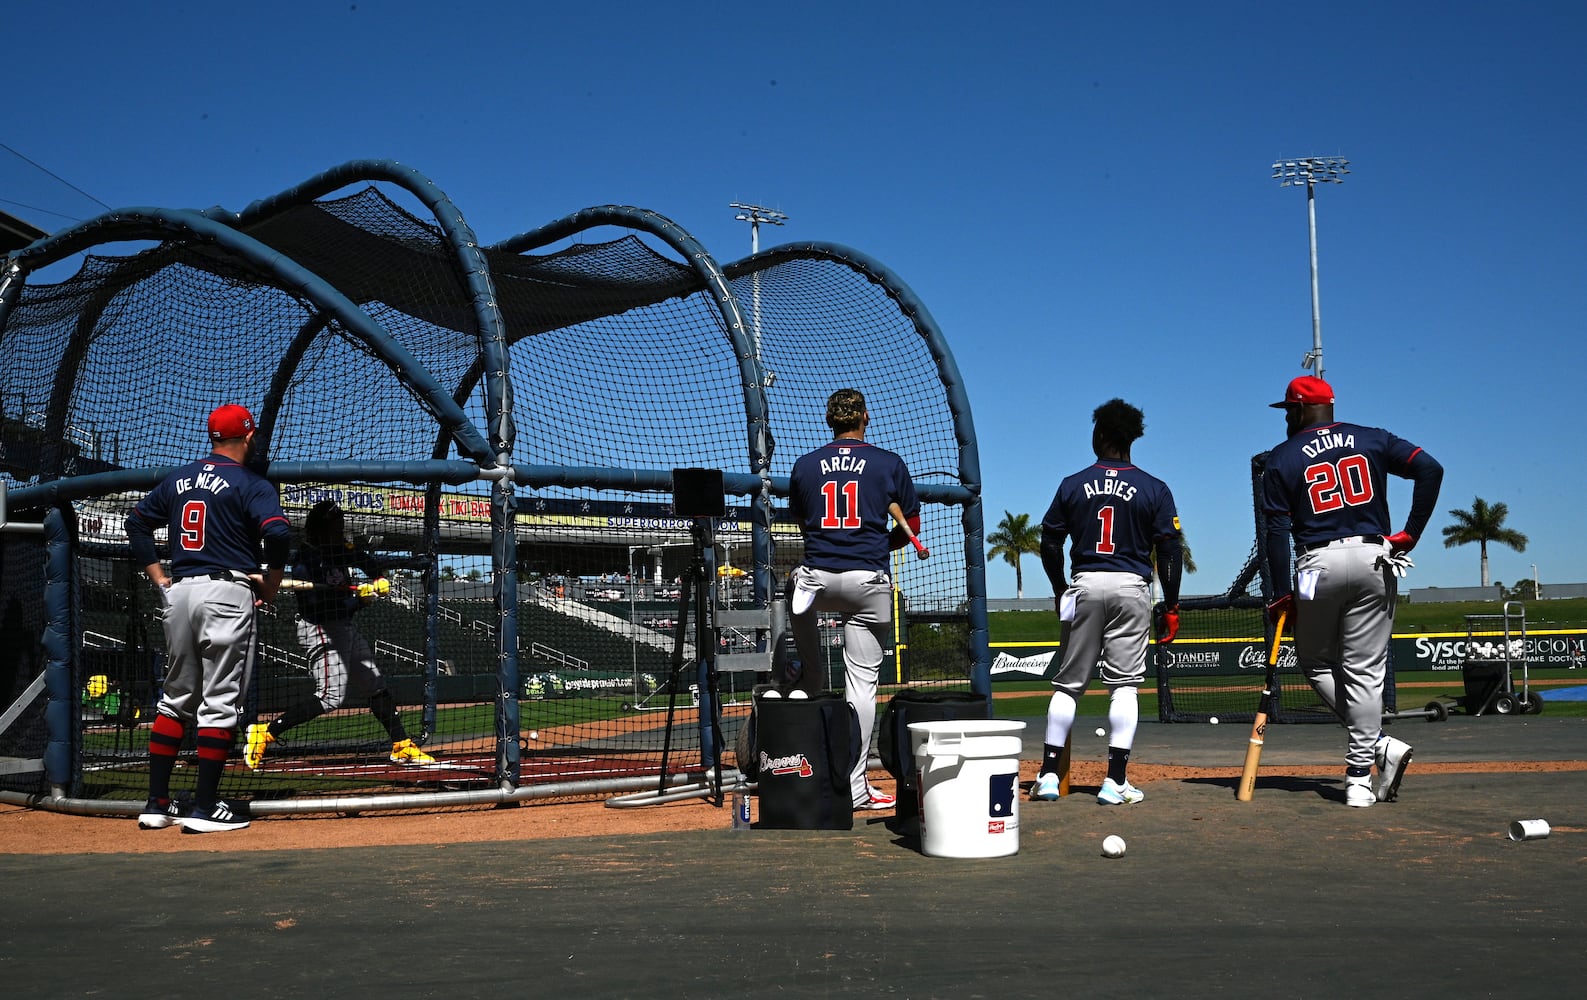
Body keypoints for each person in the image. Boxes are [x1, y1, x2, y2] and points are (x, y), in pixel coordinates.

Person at [1261, 375, 1442, 808]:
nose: (1286, 417)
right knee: (1363, 672)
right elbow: (1430, 468)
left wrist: (1281, 591)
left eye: (1288, 409)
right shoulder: (1372, 438)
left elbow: (1276, 530)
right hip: (1373, 557)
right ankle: (1365, 768)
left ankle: (1369, 757)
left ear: (1303, 409)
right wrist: (1410, 535)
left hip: (1315, 564)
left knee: (1316, 662)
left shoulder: (1281, 457)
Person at [126, 404, 292, 833]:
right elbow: (276, 533)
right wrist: (271, 584)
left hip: (179, 592)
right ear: (249, 436)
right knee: (220, 702)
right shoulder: (251, 482)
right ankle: (204, 808)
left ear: (212, 438)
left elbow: (137, 524)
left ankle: (156, 803)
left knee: (175, 698)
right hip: (225, 591)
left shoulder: (178, 478)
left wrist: (160, 578)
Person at [1031, 399, 1182, 805]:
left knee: (1068, 684)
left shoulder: (1072, 483)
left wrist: (1061, 586)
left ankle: (1047, 775)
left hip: (1084, 582)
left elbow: (1049, 541)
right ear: (1133, 438)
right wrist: (1171, 604)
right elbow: (1170, 550)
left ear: (1099, 435)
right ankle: (1114, 781)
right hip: (1131, 585)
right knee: (1125, 687)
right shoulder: (1155, 487)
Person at [786, 388, 921, 811]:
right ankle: (857, 785)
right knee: (861, 687)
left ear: (830, 420)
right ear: (864, 416)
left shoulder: (805, 465)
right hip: (868, 579)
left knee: (808, 663)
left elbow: (805, 522)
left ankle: (805, 688)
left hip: (817, 579)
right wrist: (879, 542)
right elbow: (910, 527)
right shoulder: (888, 462)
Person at [244, 500, 434, 770]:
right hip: (320, 629)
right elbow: (316, 608)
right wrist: (361, 601)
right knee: (331, 696)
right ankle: (264, 733)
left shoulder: (340, 550)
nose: (339, 531)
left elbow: (366, 561)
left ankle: (402, 745)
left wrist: (378, 577)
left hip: (344, 626)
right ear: (320, 529)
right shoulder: (305, 561)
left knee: (375, 684)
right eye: (334, 527)